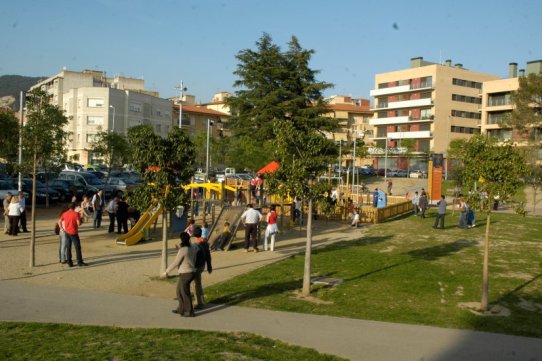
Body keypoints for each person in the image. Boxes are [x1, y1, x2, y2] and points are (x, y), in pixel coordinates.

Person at [162, 232, 197, 317]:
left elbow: (176, 262)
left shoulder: (183, 249)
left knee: (184, 292)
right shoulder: (192, 247)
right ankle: (181, 309)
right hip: (191, 272)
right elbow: (188, 257)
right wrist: (179, 251)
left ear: (182, 240)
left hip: (186, 273)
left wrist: (166, 271)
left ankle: (189, 312)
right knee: (179, 291)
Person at [59, 202, 88, 267]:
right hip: (73, 232)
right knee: (77, 247)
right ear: (74, 207)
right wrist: (81, 221)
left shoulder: (65, 213)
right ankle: (79, 262)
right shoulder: (76, 214)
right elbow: (78, 224)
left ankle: (69, 262)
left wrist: (62, 228)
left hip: (67, 232)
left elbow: (60, 221)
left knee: (68, 247)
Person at [192, 226, 212, 309]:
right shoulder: (205, 243)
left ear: (193, 234)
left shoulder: (195, 244)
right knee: (198, 284)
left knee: (195, 285)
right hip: (202, 265)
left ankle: (199, 302)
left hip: (196, 266)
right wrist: (209, 266)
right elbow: (208, 255)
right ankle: (201, 301)